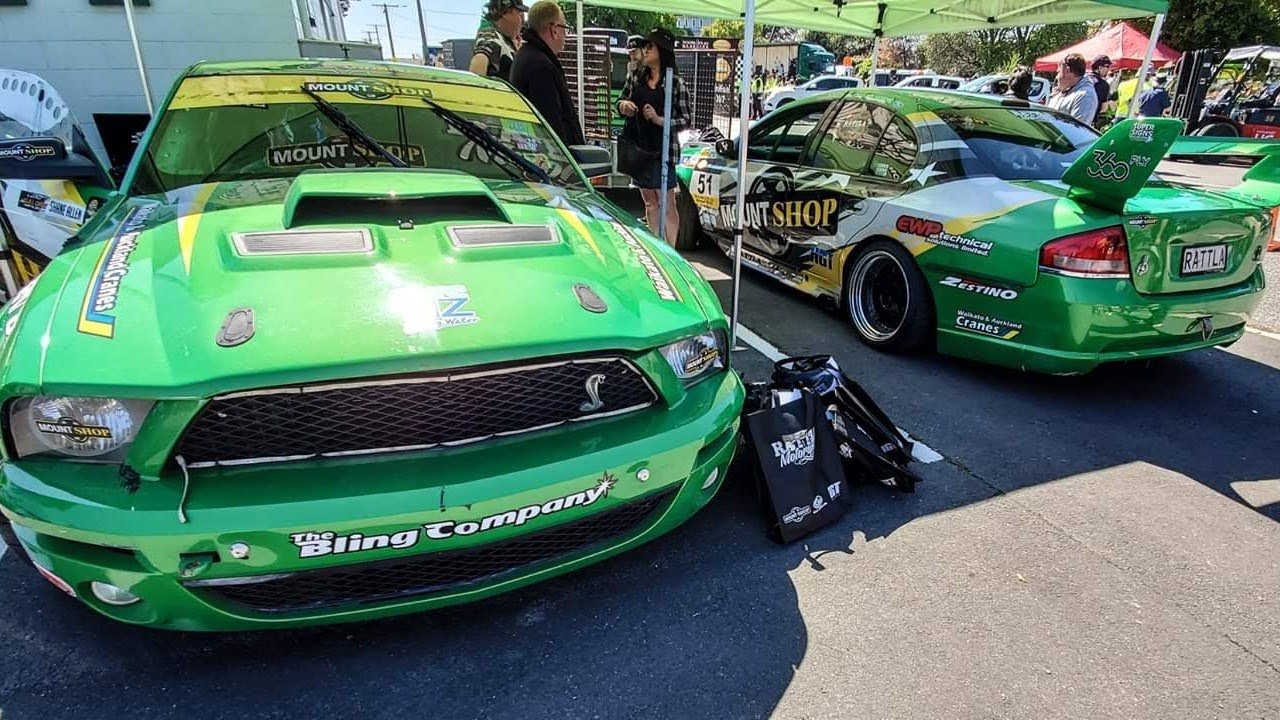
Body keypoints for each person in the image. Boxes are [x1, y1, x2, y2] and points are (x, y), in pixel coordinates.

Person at [616, 27, 690, 246]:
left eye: (651, 46)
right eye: (645, 46)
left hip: (662, 151)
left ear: (662, 51)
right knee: (649, 201)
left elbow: (686, 119)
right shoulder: (636, 76)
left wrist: (660, 119)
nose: (645, 50)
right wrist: (624, 106)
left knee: (667, 202)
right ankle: (657, 247)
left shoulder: (675, 82)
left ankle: (672, 252)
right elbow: (619, 102)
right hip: (638, 148)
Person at [510, 0, 584, 147]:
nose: (566, 35)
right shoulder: (541, 67)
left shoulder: (526, 56)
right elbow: (552, 128)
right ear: (554, 30)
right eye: (565, 28)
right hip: (552, 161)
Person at [469, 0, 526, 81]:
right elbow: (480, 58)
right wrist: (476, 89)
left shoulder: (505, 38)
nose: (522, 20)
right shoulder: (491, 36)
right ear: (505, 13)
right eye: (519, 14)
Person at [1047, 53, 1098, 124]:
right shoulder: (1061, 92)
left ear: (1067, 71)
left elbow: (1077, 130)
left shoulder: (1085, 96)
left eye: (1059, 72)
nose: (1056, 77)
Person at [1087, 55, 1113, 124]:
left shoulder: (1082, 79)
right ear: (1100, 68)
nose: (1108, 69)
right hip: (1090, 121)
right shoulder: (1103, 84)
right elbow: (1103, 108)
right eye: (1107, 67)